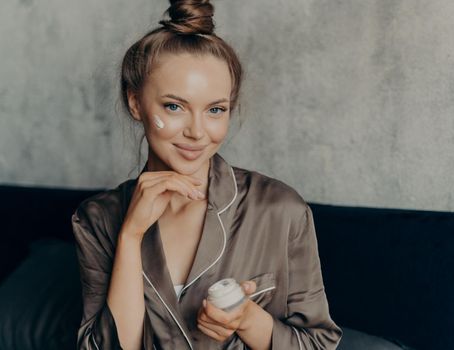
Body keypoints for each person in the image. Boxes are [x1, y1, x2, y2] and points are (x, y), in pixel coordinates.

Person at [71, 1, 403, 349]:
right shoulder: (98, 220)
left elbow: (318, 343)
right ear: (136, 103)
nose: (198, 132)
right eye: (174, 106)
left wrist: (248, 319)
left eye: (216, 110)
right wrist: (131, 236)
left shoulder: (280, 209)